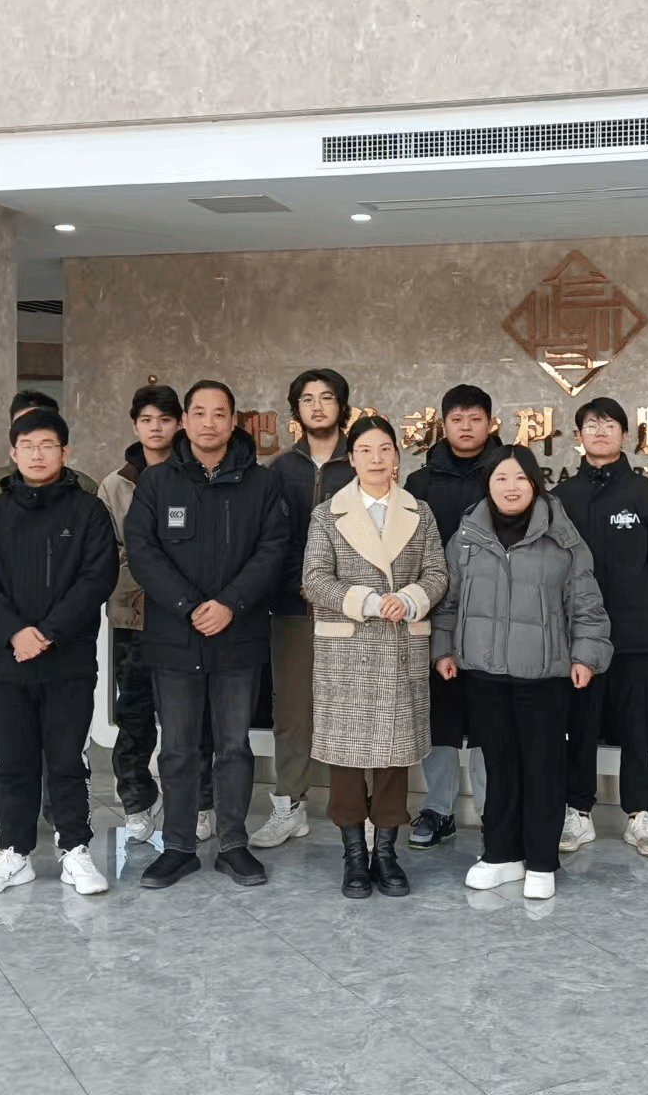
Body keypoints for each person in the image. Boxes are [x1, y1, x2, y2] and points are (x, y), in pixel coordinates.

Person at [125, 380, 290, 889]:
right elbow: (142, 550)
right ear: (185, 421)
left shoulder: (261, 483)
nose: (209, 423)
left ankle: (234, 845)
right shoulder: (157, 483)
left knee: (234, 747)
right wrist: (189, 606)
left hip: (237, 634)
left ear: (233, 421)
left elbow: (273, 549)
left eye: (219, 413)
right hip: (175, 635)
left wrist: (230, 604)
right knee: (177, 748)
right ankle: (177, 847)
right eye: (199, 413)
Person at [432, 446, 611, 901]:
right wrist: (443, 649)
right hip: (485, 674)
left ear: (535, 484)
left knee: (543, 770)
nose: (511, 488)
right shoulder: (467, 537)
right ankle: (501, 855)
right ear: (487, 485)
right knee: (499, 769)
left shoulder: (562, 537)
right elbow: (448, 602)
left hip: (544, 676)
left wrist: (585, 657)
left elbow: (586, 604)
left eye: (520, 479)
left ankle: (541, 861)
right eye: (501, 479)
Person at [0, 410, 118, 897]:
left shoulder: (88, 511)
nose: (37, 454)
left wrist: (47, 632)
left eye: (47, 445)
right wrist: (16, 633)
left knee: (68, 759)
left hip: (68, 659)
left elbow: (97, 579)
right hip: (6, 659)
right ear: (12, 453)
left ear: (65, 452)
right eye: (27, 445)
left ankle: (74, 849)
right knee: (14, 760)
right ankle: (16, 853)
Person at [301, 416, 448, 899]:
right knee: (345, 759)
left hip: (400, 643)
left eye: (385, 449)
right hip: (347, 647)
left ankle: (386, 853)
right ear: (351, 458)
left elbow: (437, 574)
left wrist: (408, 599)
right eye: (365, 450)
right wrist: (365, 601)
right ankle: (353, 856)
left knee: (393, 757)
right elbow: (314, 579)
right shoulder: (327, 514)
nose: (376, 458)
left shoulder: (419, 512)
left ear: (397, 456)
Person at [552, 397, 648, 858]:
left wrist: (640, 614)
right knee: (579, 725)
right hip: (576, 639)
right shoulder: (559, 499)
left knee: (637, 727)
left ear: (625, 435)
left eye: (609, 424)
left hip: (634, 637)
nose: (600, 431)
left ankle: (639, 814)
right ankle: (577, 811)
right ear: (578, 436)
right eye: (591, 424)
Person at [98, 384, 215, 847]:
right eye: (146, 420)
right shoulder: (116, 484)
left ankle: (200, 803)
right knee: (134, 713)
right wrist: (151, 583)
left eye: (165, 419)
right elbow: (109, 554)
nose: (156, 428)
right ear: (135, 426)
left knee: (192, 717)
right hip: (136, 616)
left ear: (180, 423)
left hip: (190, 617)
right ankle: (137, 802)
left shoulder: (198, 475)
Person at [252, 368, 356, 851]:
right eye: (307, 399)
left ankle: (358, 808)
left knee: (353, 707)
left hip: (350, 611)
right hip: (291, 607)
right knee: (292, 711)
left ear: (342, 406)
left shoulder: (359, 463)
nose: (317, 406)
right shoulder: (277, 470)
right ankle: (290, 805)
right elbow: (268, 540)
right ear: (296, 410)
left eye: (326, 397)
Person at [404, 384, 500, 851]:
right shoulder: (420, 483)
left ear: (490, 423)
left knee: (488, 714)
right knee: (438, 715)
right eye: (457, 419)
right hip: (433, 615)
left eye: (475, 418)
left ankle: (492, 811)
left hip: (494, 616)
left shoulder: (507, 473)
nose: (466, 427)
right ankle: (438, 809)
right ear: (443, 424)